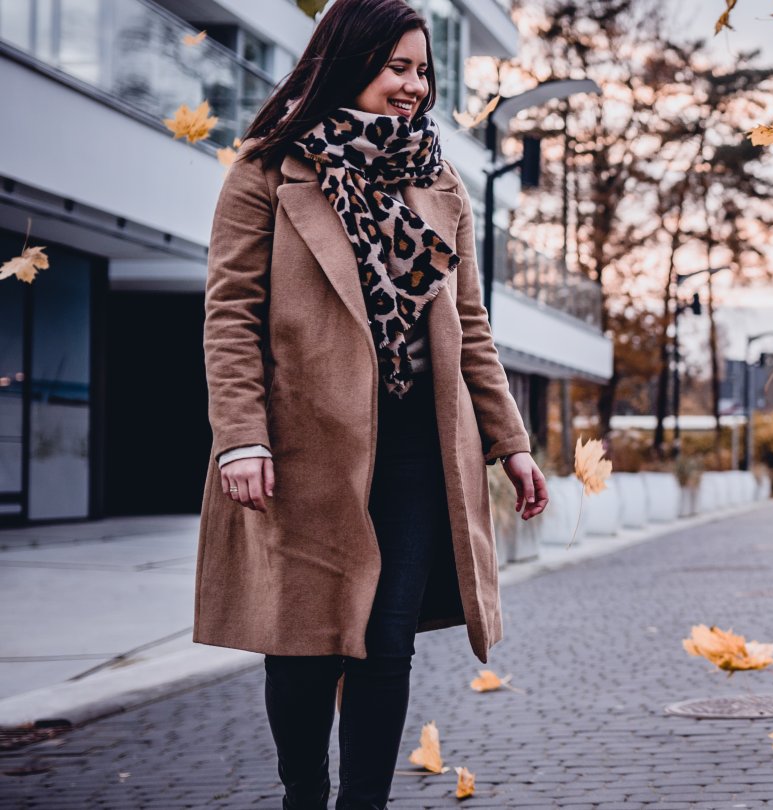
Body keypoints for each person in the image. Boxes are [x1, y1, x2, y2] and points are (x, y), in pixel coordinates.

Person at [197, 1, 548, 806]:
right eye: (398, 68)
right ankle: (304, 792)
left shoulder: (438, 178)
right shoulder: (268, 169)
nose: (413, 87)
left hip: (420, 449)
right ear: (348, 60)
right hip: (303, 448)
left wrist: (511, 442)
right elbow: (230, 315)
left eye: (422, 71)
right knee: (304, 644)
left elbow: (472, 326)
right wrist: (241, 436)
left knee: (385, 646)